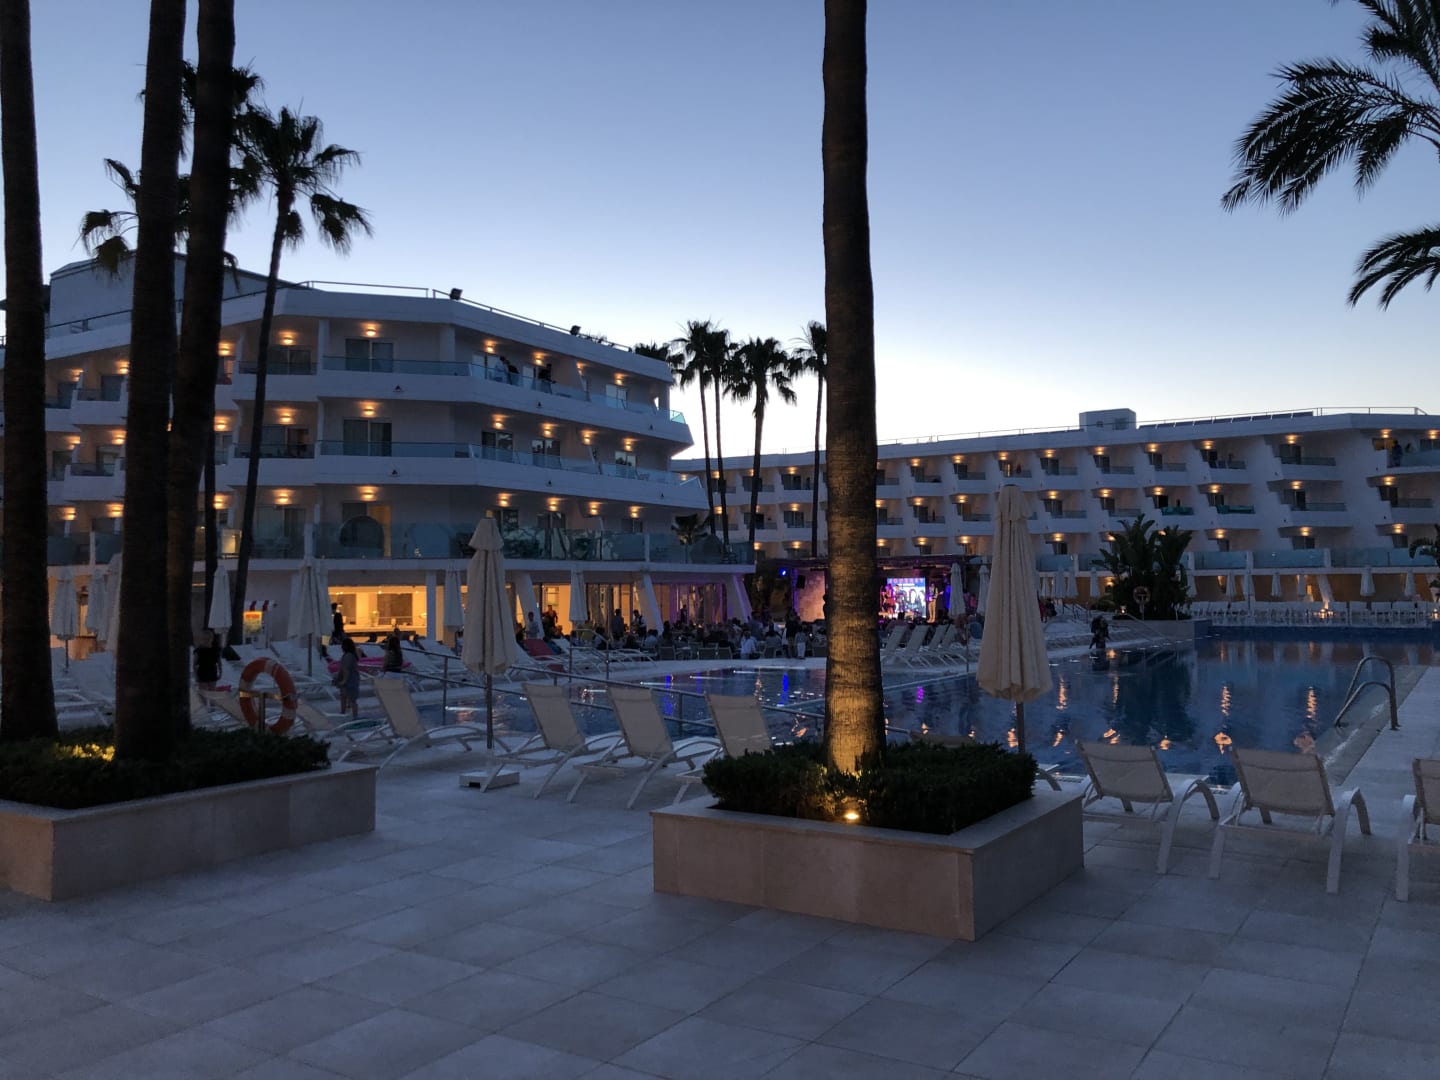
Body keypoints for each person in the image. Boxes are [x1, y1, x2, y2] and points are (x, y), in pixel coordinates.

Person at [333, 636, 361, 719]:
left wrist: (344, 681)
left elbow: (346, 670)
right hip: (352, 680)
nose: (341, 647)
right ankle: (352, 716)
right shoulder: (351, 655)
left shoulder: (348, 656)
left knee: (347, 699)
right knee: (350, 699)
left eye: (342, 645)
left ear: (345, 646)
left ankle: (347, 714)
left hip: (349, 681)